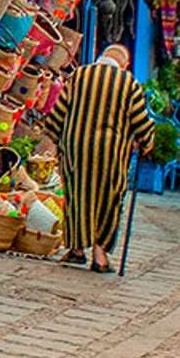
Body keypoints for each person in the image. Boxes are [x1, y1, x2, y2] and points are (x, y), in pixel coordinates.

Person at [43, 45, 155, 273]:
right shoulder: (128, 83)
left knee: (78, 197)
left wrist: (52, 137)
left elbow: (59, 112)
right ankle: (100, 255)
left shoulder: (78, 76)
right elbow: (141, 122)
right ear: (124, 64)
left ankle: (76, 250)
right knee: (109, 201)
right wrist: (147, 143)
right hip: (112, 153)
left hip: (77, 149)